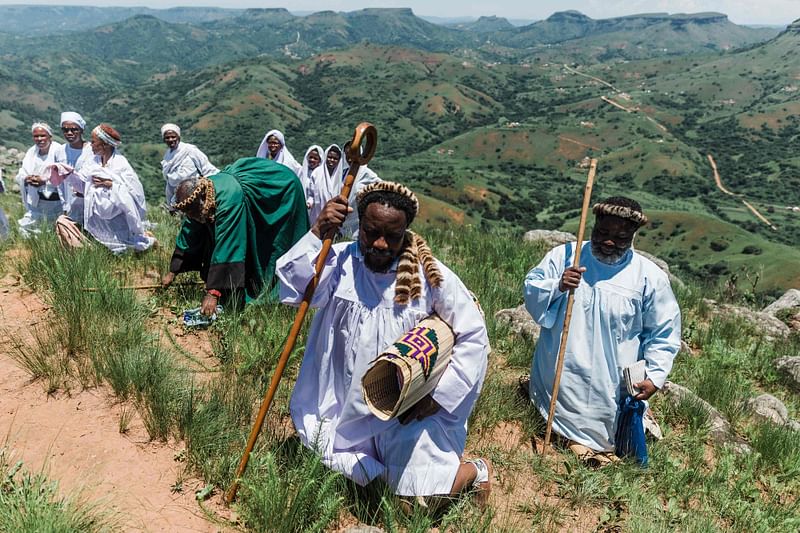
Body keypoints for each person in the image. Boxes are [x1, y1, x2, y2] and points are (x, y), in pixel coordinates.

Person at [276, 181, 491, 503]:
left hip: (406, 408)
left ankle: (477, 470)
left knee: (416, 505)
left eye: (392, 236)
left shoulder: (429, 276)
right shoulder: (339, 262)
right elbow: (295, 286)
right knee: (363, 483)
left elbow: (473, 335)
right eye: (370, 232)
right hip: (340, 404)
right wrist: (318, 231)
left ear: (406, 231)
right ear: (359, 226)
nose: (379, 243)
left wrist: (437, 397)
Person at [523, 196, 681, 460]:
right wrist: (559, 285)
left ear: (633, 236)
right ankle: (570, 440)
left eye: (620, 237)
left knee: (612, 431)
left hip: (611, 382)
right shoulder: (566, 257)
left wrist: (655, 375)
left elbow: (663, 332)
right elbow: (531, 290)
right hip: (562, 375)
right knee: (559, 414)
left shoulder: (649, 277)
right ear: (594, 225)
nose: (609, 242)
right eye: (603, 232)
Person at [162, 157, 309, 315]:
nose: (190, 216)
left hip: (280, 191)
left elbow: (229, 244)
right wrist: (173, 270)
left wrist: (213, 293)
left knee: (274, 244)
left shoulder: (228, 201)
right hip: (252, 193)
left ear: (202, 200)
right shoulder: (199, 196)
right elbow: (190, 229)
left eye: (191, 211)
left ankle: (280, 291)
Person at [57, 124, 155, 253]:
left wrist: (111, 185)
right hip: (98, 220)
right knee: (62, 222)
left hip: (117, 222)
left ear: (105, 144)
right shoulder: (94, 161)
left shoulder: (121, 165)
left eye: (93, 142)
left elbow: (134, 194)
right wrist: (69, 174)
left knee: (125, 248)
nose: (90, 145)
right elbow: (84, 184)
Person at [15, 122, 63, 236]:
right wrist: (27, 178)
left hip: (54, 202)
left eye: (43, 135)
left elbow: (64, 175)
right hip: (36, 202)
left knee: (53, 230)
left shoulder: (59, 151)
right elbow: (22, 171)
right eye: (36, 136)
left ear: (50, 136)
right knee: (29, 231)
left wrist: (45, 181)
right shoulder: (32, 152)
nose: (39, 139)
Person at [160, 123, 218, 206]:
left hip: (196, 192)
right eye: (167, 138)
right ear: (164, 140)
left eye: (173, 137)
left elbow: (205, 167)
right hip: (177, 196)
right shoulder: (167, 157)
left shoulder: (189, 150)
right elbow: (169, 181)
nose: (170, 139)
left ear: (178, 137)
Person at [54, 111, 93, 225]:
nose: (69, 133)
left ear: (81, 130)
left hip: (89, 202)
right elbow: (60, 182)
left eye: (74, 129)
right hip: (70, 203)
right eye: (65, 130)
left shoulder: (92, 150)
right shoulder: (60, 152)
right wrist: (64, 204)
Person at [339, 140, 381, 238]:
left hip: (356, 219)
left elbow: (381, 187)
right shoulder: (342, 172)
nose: (350, 159)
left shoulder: (366, 173)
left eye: (353, 155)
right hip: (341, 218)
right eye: (347, 155)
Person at [307, 144, 343, 226]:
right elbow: (311, 195)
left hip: (333, 216)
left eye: (335, 159)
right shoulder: (316, 173)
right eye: (329, 157)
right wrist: (309, 203)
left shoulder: (341, 177)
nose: (332, 160)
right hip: (317, 213)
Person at [298, 144, 324, 215]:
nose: (312, 160)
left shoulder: (322, 176)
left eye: (315, 158)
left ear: (320, 161)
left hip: (316, 211)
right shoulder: (301, 172)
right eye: (311, 157)